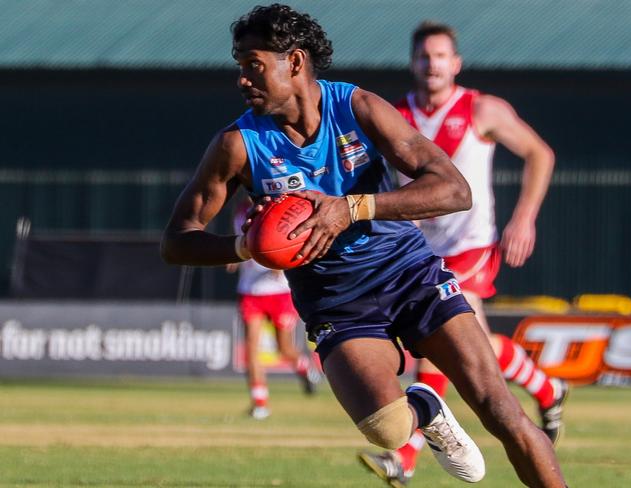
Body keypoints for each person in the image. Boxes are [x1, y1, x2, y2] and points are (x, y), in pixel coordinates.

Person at [161, 4, 567, 487]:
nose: (242, 80)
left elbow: (454, 190)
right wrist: (246, 247)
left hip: (408, 275)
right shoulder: (238, 144)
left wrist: (352, 207)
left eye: (253, 65)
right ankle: (424, 404)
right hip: (336, 301)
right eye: (239, 66)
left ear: (294, 61)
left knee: (501, 411)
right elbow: (177, 241)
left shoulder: (357, 107)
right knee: (388, 429)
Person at [358, 22, 569, 487]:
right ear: (412, 64)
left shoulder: (482, 109)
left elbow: (540, 153)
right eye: (423, 57)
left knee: (435, 351)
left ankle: (405, 459)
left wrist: (524, 218)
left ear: (455, 63)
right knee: (474, 348)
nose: (431, 64)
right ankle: (548, 387)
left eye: (440, 56)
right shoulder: (394, 115)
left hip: (470, 247)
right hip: (417, 252)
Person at [227, 197, 320, 420]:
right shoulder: (240, 208)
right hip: (250, 290)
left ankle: (304, 368)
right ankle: (260, 403)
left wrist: (281, 260)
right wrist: (232, 257)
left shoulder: (277, 204)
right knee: (251, 348)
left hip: (278, 291)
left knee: (284, 348)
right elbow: (242, 241)